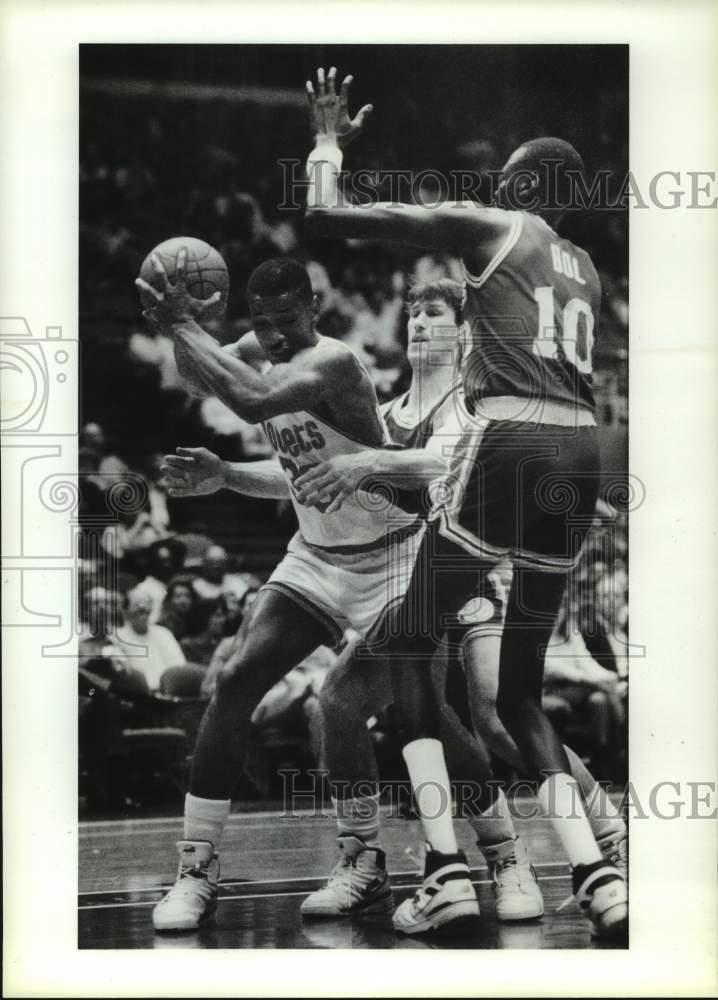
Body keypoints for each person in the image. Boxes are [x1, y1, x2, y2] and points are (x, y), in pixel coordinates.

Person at [301, 66, 627, 938]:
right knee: (520, 692)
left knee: (409, 640)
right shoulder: (587, 267)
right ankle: (599, 877)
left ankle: (445, 867)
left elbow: (332, 218)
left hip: (514, 438)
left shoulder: (496, 224)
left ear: (520, 184)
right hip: (581, 446)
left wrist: (329, 144)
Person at [137, 255, 485, 934]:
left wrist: (183, 322)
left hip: (396, 555)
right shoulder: (251, 348)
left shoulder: (334, 363)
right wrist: (183, 336)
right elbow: (196, 374)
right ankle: (204, 868)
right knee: (234, 679)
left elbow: (253, 401)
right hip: (317, 557)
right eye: (261, 324)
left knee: (425, 717)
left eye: (286, 321)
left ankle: (503, 856)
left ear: (313, 311)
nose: (273, 337)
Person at [115, 587, 186, 692]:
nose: (142, 606)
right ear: (126, 610)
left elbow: (180, 667)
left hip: (170, 692)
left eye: (146, 602)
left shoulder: (164, 633)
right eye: (136, 603)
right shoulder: (117, 637)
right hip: (139, 695)